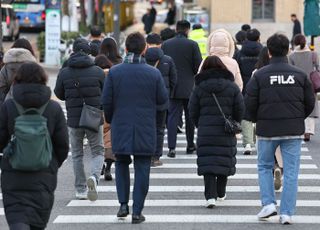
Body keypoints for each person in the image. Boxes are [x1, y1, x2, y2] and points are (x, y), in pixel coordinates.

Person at [245, 33, 315, 225]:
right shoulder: (299, 75)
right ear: (287, 50)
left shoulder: (259, 75)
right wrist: (298, 117)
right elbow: (310, 103)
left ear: (269, 52)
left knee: (265, 166)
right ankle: (286, 213)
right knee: (291, 171)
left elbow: (249, 103)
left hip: (266, 129)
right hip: (293, 130)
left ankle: (268, 204)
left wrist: (255, 119)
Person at [102, 32, 168, 224]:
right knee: (142, 167)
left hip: (121, 124)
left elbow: (106, 101)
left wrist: (112, 119)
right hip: (145, 126)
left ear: (126, 49)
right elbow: (163, 101)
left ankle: (123, 205)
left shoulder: (114, 72)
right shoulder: (153, 73)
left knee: (121, 163)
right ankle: (137, 211)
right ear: (145, 49)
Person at [0, 62, 69, 230]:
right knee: (37, 223)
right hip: (43, 176)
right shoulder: (53, 108)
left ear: (17, 80)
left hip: (13, 175)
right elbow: (63, 146)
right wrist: (52, 164)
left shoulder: (9, 106)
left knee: (17, 220)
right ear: (43, 79)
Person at [189, 55, 244, 208]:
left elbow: (192, 109)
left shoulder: (199, 87)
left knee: (208, 162)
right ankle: (220, 192)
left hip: (206, 129)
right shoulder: (231, 86)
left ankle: (210, 197)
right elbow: (240, 107)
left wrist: (199, 124)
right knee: (223, 159)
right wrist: (234, 122)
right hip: (226, 130)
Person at [54, 38, 105, 201]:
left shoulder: (64, 72)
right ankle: (95, 178)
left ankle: (80, 189)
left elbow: (59, 94)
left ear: (73, 51)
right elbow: (105, 94)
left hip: (74, 120)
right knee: (98, 150)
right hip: (93, 117)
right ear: (89, 52)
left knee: (76, 154)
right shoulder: (97, 71)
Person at [162, 20, 202, 158]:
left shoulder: (166, 44)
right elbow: (198, 66)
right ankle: (190, 145)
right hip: (189, 86)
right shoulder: (192, 44)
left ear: (176, 29)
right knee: (190, 117)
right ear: (187, 30)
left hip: (172, 86)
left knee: (172, 117)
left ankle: (171, 148)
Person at [145, 33, 177, 166]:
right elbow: (174, 80)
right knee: (159, 128)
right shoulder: (167, 60)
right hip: (162, 100)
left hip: (145, 100)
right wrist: (168, 94)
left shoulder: (142, 58)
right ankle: (156, 157)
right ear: (160, 44)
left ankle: (146, 154)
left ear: (147, 44)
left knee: (146, 127)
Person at [254, 47, 284, 191]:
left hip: (263, 116)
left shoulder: (257, 73)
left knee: (266, 149)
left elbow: (251, 98)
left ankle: (272, 168)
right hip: (283, 116)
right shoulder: (285, 73)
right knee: (280, 146)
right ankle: (279, 167)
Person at [236, 28, 262, 155]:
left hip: (245, 85)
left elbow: (237, 69)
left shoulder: (240, 52)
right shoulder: (263, 51)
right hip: (260, 85)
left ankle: (247, 143)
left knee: (246, 115)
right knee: (260, 111)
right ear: (258, 38)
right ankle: (258, 139)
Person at [289, 34, 319, 142]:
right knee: (311, 105)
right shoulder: (313, 54)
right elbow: (318, 69)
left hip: (296, 84)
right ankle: (308, 131)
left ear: (295, 43)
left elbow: (290, 70)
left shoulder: (291, 56)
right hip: (311, 84)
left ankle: (299, 128)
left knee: (298, 105)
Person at [94, 54, 115, 181]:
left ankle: (100, 164)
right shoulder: (113, 73)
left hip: (96, 111)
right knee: (109, 140)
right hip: (110, 110)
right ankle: (108, 167)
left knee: (98, 140)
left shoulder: (93, 74)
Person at [0, 38, 37, 105]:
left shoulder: (5, 67)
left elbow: (1, 88)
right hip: (29, 104)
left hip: (9, 105)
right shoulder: (34, 67)